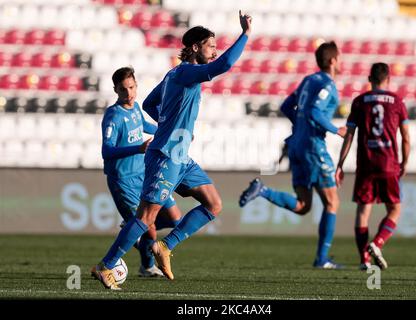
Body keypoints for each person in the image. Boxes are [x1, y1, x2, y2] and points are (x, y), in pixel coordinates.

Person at [92, 10, 252, 289]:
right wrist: (245, 34)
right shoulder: (187, 72)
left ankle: (165, 247)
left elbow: (152, 105)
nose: (214, 52)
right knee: (146, 217)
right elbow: (224, 64)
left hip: (180, 154)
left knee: (213, 203)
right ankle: (106, 265)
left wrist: (171, 123)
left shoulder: (173, 75)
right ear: (193, 48)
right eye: (210, 46)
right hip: (166, 154)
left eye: (215, 47)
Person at [239, 41, 347, 269]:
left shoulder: (309, 80)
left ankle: (263, 190)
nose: (341, 61)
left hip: (296, 144)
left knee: (302, 205)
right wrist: (336, 129)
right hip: (312, 146)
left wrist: (299, 125)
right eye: (340, 57)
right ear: (332, 61)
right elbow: (314, 110)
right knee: (332, 202)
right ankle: (322, 259)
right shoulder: (328, 84)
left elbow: (288, 106)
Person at [99, 67, 182, 279]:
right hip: (123, 180)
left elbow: (144, 125)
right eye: (123, 89)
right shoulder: (113, 116)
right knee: (150, 227)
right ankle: (147, 266)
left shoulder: (135, 107)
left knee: (174, 218)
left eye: (132, 87)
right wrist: (138, 148)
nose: (129, 93)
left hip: (143, 175)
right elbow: (106, 151)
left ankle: (131, 228)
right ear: (116, 90)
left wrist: (171, 132)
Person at [335, 62, 410, 270]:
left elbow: (349, 135)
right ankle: (377, 243)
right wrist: (405, 162)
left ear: (370, 79)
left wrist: (340, 165)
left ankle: (364, 260)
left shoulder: (359, 102)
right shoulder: (397, 102)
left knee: (363, 210)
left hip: (366, 163)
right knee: (395, 208)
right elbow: (405, 137)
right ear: (388, 79)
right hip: (388, 162)